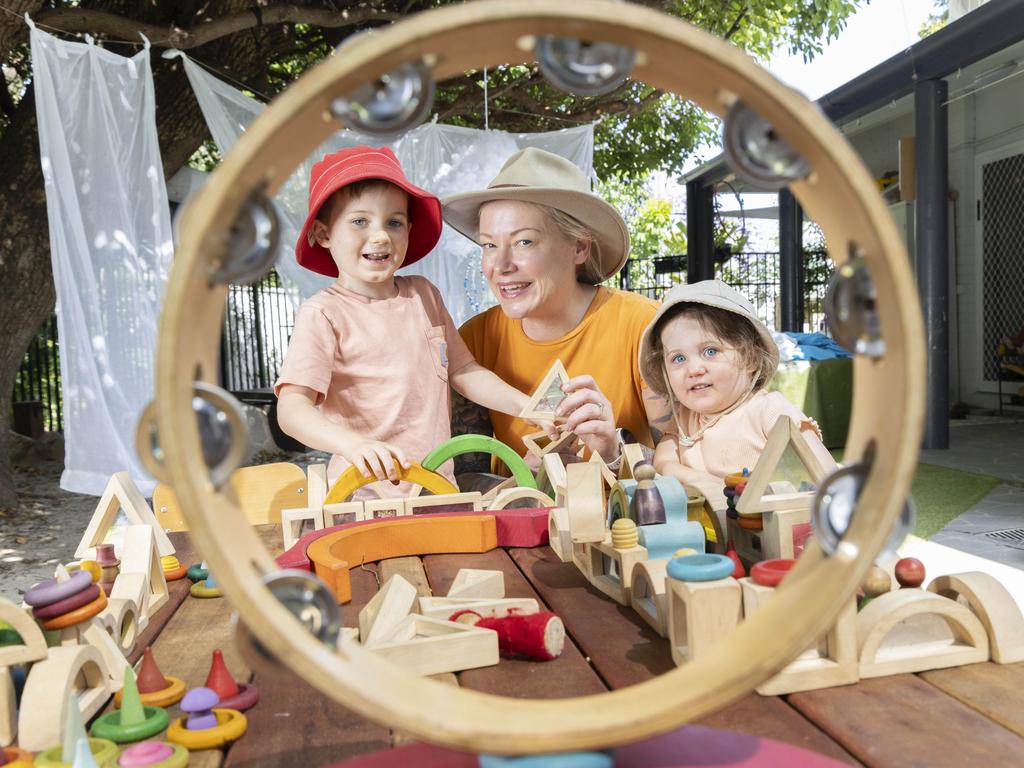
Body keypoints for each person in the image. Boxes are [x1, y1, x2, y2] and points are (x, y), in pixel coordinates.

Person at [274, 146, 530, 490]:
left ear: (409, 229)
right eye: (359, 221)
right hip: (364, 501)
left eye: (394, 222)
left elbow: (465, 372)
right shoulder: (324, 313)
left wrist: (527, 406)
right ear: (323, 234)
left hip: (437, 492)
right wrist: (353, 445)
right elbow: (291, 410)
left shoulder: (424, 295)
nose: (380, 236)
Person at [443, 147, 673, 473]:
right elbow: (465, 477)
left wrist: (612, 453)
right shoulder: (474, 340)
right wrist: (525, 480)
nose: (500, 265)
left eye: (524, 242)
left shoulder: (645, 325)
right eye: (489, 245)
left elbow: (688, 461)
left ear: (579, 247)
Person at [638, 280, 837, 520]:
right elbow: (663, 460)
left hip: (771, 529)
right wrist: (702, 481)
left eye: (710, 351)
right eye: (678, 358)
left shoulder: (769, 410)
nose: (694, 369)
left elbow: (825, 473)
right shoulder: (684, 419)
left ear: (751, 358)